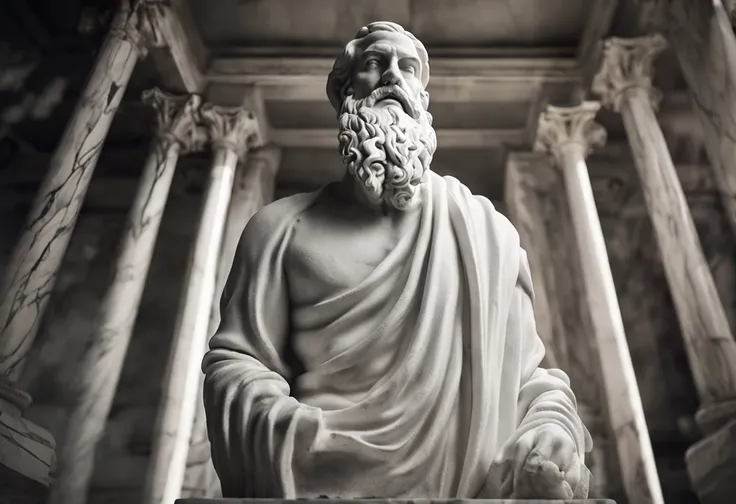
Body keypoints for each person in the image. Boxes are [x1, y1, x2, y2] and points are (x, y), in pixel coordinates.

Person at [202, 21, 592, 500]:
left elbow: (529, 381)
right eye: (373, 63)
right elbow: (237, 362)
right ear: (345, 94)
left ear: (422, 99)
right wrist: (288, 434)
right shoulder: (279, 229)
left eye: (407, 67)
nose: (393, 76)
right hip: (315, 471)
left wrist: (551, 430)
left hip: (459, 481)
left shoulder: (485, 233)